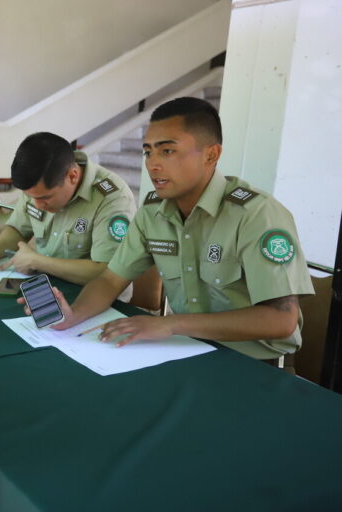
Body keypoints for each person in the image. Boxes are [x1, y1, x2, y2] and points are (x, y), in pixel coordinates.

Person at [32, 97, 313, 362]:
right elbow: (109, 281)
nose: (153, 164)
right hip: (188, 351)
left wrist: (169, 325)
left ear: (211, 155)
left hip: (255, 365)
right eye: (148, 151)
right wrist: (73, 315)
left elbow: (282, 319)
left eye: (167, 151)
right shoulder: (153, 214)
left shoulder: (256, 215)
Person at [0, 132, 136, 286]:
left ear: (72, 176)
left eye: (45, 198)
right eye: (31, 197)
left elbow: (107, 272)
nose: (37, 205)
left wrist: (38, 261)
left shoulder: (113, 198)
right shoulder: (39, 183)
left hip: (96, 298)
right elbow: (18, 229)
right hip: (48, 285)